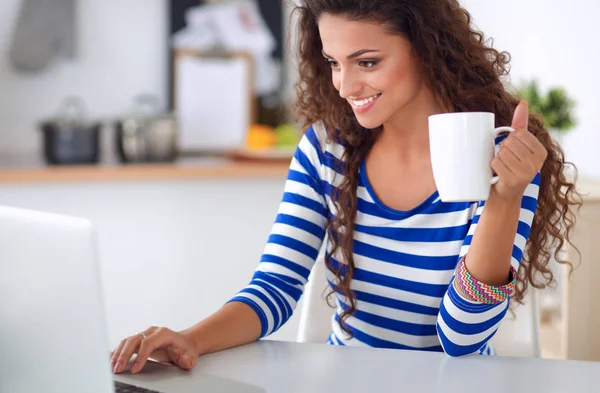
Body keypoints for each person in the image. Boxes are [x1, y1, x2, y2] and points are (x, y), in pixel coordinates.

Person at [111, 0, 582, 374]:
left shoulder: (501, 153)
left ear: (427, 47)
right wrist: (189, 340)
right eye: (334, 62)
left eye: (368, 62)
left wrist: (505, 198)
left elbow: (460, 337)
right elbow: (275, 287)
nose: (345, 84)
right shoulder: (327, 150)